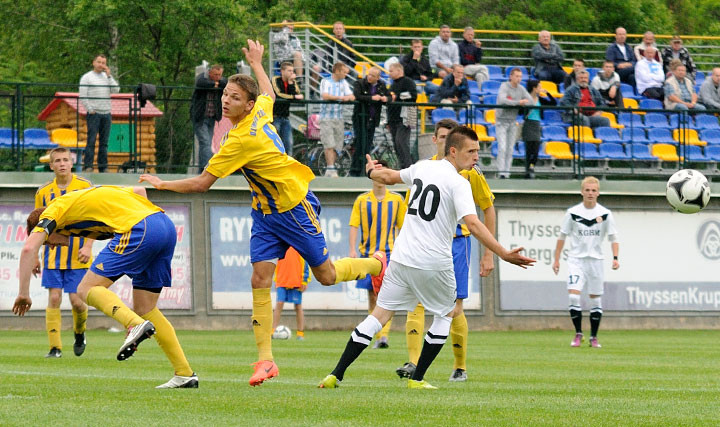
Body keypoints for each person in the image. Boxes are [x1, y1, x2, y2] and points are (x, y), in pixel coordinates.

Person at [138, 40, 387, 387]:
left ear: (247, 105)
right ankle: (266, 360)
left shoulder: (240, 141)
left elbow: (202, 184)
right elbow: (269, 91)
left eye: (235, 97)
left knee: (326, 276)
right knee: (259, 279)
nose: (226, 100)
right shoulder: (259, 111)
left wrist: (161, 184)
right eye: (225, 93)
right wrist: (257, 63)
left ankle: (375, 264)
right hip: (265, 214)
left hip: (294, 208)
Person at [318, 127, 535, 390]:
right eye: (472, 151)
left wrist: (370, 172)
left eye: (478, 151)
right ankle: (418, 378)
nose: (477, 156)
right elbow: (474, 223)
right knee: (447, 314)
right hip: (434, 262)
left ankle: (335, 374)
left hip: (402, 258)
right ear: (453, 151)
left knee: (379, 315)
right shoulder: (459, 183)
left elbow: (387, 176)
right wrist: (502, 253)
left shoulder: (422, 167)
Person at [14, 186, 198, 388]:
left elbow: (29, 248)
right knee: (146, 308)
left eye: (47, 242)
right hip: (165, 226)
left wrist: (24, 294)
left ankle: (133, 324)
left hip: (140, 228)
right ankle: (184, 374)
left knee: (84, 288)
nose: (50, 246)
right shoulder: (78, 205)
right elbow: (139, 190)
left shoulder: (53, 211)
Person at [395, 119, 497, 383]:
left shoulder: (471, 173)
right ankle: (414, 362)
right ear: (436, 140)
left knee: (455, 306)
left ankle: (460, 366)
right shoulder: (424, 168)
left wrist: (488, 253)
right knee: (415, 302)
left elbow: (488, 208)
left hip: (457, 243)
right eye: (440, 137)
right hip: (424, 245)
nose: (443, 141)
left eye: (447, 137)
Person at [34, 147, 94, 358]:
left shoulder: (85, 187)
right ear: (51, 165)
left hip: (78, 255)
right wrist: (34, 255)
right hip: (52, 256)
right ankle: (55, 347)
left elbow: (95, 219)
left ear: (71, 163)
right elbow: (39, 226)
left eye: (65, 160)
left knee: (78, 302)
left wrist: (87, 246)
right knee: (54, 298)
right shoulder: (43, 192)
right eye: (57, 160)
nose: (61, 163)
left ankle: (79, 333)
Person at [552, 177, 619, 349]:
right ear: (582, 191)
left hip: (596, 262)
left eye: (593, 190)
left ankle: (594, 337)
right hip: (576, 260)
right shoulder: (573, 212)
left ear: (598, 192)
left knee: (595, 301)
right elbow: (562, 236)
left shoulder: (605, 214)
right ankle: (578, 334)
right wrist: (557, 259)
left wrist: (615, 258)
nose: (590, 193)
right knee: (573, 296)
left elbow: (613, 238)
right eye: (587, 190)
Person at [349, 161, 406, 348]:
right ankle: (377, 334)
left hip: (389, 254)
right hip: (368, 254)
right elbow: (354, 226)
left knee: (385, 295)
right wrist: (352, 249)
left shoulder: (397, 200)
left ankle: (383, 336)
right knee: (372, 296)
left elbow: (403, 227)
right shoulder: (362, 200)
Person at [79, 54, 119, 173]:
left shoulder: (107, 77)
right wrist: (90, 109)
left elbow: (116, 90)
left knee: (104, 142)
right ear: (94, 62)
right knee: (91, 140)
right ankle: (88, 166)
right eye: (99, 62)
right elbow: (83, 95)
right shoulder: (87, 77)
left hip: (106, 113)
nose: (101, 65)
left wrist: (109, 76)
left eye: (103, 63)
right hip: (94, 114)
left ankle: (103, 167)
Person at [351, 67, 389, 177]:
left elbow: (389, 96)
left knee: (367, 145)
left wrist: (385, 99)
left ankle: (365, 169)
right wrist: (372, 98)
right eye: (369, 74)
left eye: (373, 75)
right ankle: (355, 170)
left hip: (373, 120)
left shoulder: (381, 85)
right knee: (359, 143)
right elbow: (358, 96)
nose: (369, 77)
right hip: (360, 118)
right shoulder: (359, 83)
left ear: (378, 77)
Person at [495, 68, 532, 179]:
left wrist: (523, 103)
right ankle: (501, 172)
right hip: (501, 121)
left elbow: (530, 100)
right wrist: (518, 103)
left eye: (520, 76)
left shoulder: (521, 89)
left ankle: (507, 173)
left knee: (510, 148)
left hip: (512, 121)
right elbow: (502, 100)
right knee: (502, 147)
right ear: (511, 76)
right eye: (516, 76)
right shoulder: (504, 86)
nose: (518, 79)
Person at [319, 62, 355, 177]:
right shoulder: (326, 81)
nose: (345, 75)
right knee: (328, 143)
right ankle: (330, 168)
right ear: (338, 71)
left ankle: (331, 167)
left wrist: (346, 97)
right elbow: (325, 95)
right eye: (344, 72)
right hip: (326, 117)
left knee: (337, 145)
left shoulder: (343, 83)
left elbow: (351, 96)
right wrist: (341, 97)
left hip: (338, 117)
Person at [191, 64, 227, 171]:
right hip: (200, 117)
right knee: (205, 142)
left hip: (212, 117)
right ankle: (206, 169)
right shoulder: (202, 78)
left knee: (207, 143)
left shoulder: (221, 81)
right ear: (210, 73)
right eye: (215, 74)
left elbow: (226, 83)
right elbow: (201, 83)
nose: (218, 77)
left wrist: (215, 84)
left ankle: (202, 169)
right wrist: (215, 84)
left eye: (220, 75)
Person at [271, 247, 309, 340]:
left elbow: (305, 263)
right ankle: (272, 331)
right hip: (281, 279)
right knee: (279, 304)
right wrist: (276, 279)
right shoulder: (279, 244)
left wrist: (304, 280)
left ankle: (300, 333)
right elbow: (275, 262)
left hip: (296, 280)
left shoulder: (299, 244)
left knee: (298, 306)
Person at [522, 80, 556, 179]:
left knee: (536, 149)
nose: (540, 89)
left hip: (536, 124)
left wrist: (548, 94)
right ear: (534, 88)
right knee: (529, 149)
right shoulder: (526, 98)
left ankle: (532, 166)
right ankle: (527, 171)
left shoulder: (540, 99)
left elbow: (553, 103)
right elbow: (520, 111)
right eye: (539, 87)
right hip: (528, 123)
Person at [387, 62, 417, 169]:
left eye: (391, 71)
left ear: (399, 71)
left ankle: (408, 168)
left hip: (404, 118)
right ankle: (402, 166)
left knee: (402, 143)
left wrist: (397, 96)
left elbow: (413, 95)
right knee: (396, 144)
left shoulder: (408, 82)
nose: (389, 73)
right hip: (393, 119)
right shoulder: (393, 84)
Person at [271, 61, 303, 154]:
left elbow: (297, 95)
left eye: (292, 71)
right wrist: (293, 97)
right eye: (289, 71)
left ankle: (288, 165)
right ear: (282, 71)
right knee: (275, 144)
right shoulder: (275, 80)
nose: (291, 73)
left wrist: (290, 83)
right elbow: (278, 95)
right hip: (275, 116)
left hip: (285, 117)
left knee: (288, 143)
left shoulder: (292, 82)